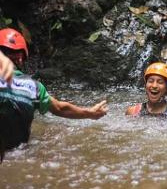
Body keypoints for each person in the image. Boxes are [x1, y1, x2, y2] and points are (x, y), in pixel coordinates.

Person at [0, 28, 107, 159]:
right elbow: (61, 108)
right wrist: (90, 113)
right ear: (21, 59)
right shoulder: (35, 87)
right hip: (18, 152)